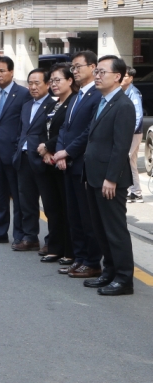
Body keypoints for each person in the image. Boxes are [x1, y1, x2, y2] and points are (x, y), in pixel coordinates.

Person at [82, 55, 136, 296]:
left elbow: (121, 146)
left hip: (110, 180)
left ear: (117, 76)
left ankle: (124, 279)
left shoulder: (124, 105)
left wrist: (112, 178)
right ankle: (109, 272)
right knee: (101, 229)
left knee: (115, 230)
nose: (97, 76)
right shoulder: (103, 101)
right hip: (94, 176)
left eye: (102, 72)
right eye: (97, 72)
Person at [52, 51, 103, 279]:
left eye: (78, 66)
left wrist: (68, 151)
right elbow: (65, 128)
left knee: (87, 217)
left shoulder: (97, 95)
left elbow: (89, 131)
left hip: (83, 164)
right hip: (68, 164)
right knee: (74, 216)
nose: (75, 71)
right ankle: (80, 259)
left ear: (93, 67)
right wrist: (61, 153)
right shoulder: (75, 96)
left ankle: (92, 262)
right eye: (72, 67)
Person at [0, 56, 32, 244]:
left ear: (11, 72)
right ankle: (0, 232)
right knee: (0, 195)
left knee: (17, 196)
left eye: (2, 71)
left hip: (14, 152)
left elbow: (25, 124)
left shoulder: (23, 94)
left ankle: (19, 234)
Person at [12, 68, 58, 251]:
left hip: (42, 159)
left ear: (47, 84)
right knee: (27, 201)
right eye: (30, 83)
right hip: (23, 158)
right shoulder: (26, 105)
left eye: (37, 83)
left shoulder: (53, 106)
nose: (33, 87)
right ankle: (30, 237)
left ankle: (51, 240)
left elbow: (54, 133)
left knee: (49, 203)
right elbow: (21, 131)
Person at [38, 63, 76, 264]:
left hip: (64, 162)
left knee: (66, 209)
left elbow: (67, 132)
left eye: (57, 80)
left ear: (70, 80)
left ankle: (69, 251)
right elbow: (43, 130)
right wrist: (44, 151)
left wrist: (48, 147)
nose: (53, 84)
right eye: (51, 80)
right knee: (51, 208)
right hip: (48, 162)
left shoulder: (74, 103)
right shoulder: (53, 104)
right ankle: (55, 247)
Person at [121, 68, 144, 203]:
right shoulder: (124, 91)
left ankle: (133, 191)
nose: (122, 78)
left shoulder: (133, 93)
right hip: (130, 132)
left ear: (131, 78)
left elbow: (138, 115)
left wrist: (129, 132)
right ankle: (135, 192)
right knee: (131, 162)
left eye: (125, 76)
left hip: (133, 133)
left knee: (126, 160)